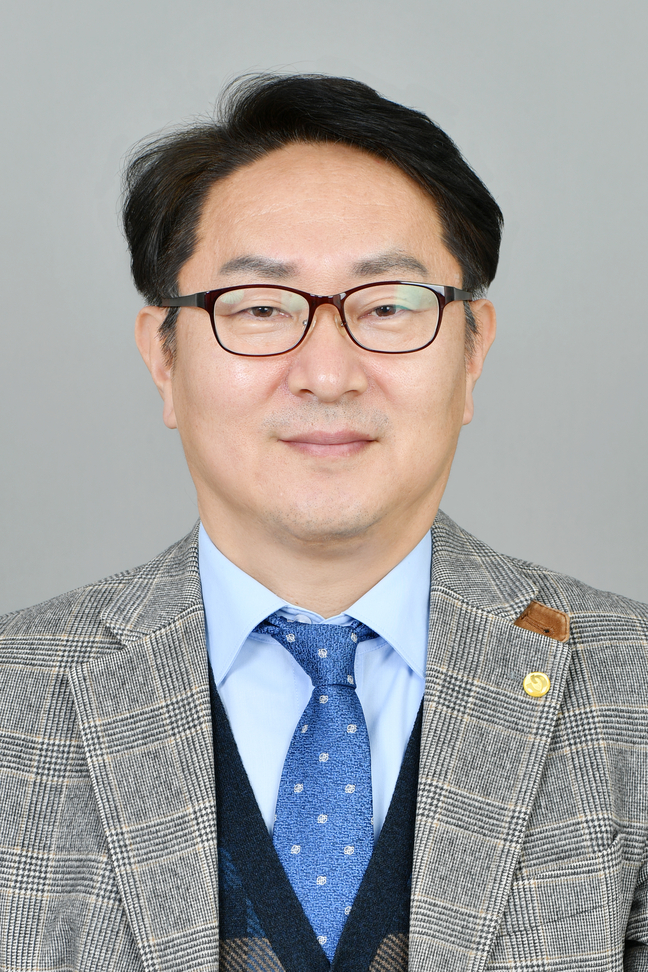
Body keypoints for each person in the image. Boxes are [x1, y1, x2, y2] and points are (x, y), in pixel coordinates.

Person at [0, 74, 646, 972]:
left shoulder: (631, 694)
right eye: (262, 309)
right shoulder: (14, 705)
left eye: (388, 306)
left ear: (472, 352)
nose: (328, 374)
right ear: (164, 358)